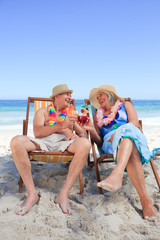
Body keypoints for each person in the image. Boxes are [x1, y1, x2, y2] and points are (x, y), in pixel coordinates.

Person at [10, 84, 91, 216]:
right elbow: (38, 132)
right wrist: (62, 126)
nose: (70, 97)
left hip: (65, 144)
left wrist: (78, 135)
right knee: (16, 141)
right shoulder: (43, 112)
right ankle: (32, 195)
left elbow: (84, 135)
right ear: (56, 96)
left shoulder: (71, 115)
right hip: (43, 143)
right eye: (67, 94)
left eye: (71, 95)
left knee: (85, 144)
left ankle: (63, 195)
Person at [84, 84, 159, 219]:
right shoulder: (97, 115)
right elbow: (99, 141)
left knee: (127, 135)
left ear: (109, 93)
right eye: (96, 97)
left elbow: (135, 123)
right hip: (110, 143)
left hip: (132, 135)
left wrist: (120, 132)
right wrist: (91, 129)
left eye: (101, 94)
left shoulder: (126, 104)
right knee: (129, 144)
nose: (98, 98)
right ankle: (145, 201)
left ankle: (117, 173)